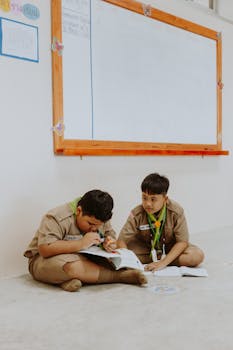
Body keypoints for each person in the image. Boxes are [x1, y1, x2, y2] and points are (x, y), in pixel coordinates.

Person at [24, 190, 147, 292]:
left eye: (98, 225)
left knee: (111, 260)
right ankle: (119, 277)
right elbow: (45, 249)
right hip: (44, 260)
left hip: (84, 258)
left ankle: (69, 280)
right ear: (79, 211)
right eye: (90, 224)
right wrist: (81, 244)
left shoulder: (100, 217)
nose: (94, 228)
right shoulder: (56, 217)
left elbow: (110, 234)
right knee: (71, 267)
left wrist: (109, 243)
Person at [118, 173, 204, 272]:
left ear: (165, 199)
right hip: (145, 250)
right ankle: (153, 261)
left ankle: (165, 260)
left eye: (153, 199)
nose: (147, 204)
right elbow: (121, 240)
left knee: (197, 255)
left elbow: (182, 242)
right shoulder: (137, 213)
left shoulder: (176, 211)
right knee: (116, 255)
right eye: (144, 198)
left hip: (169, 249)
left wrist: (162, 263)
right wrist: (129, 261)